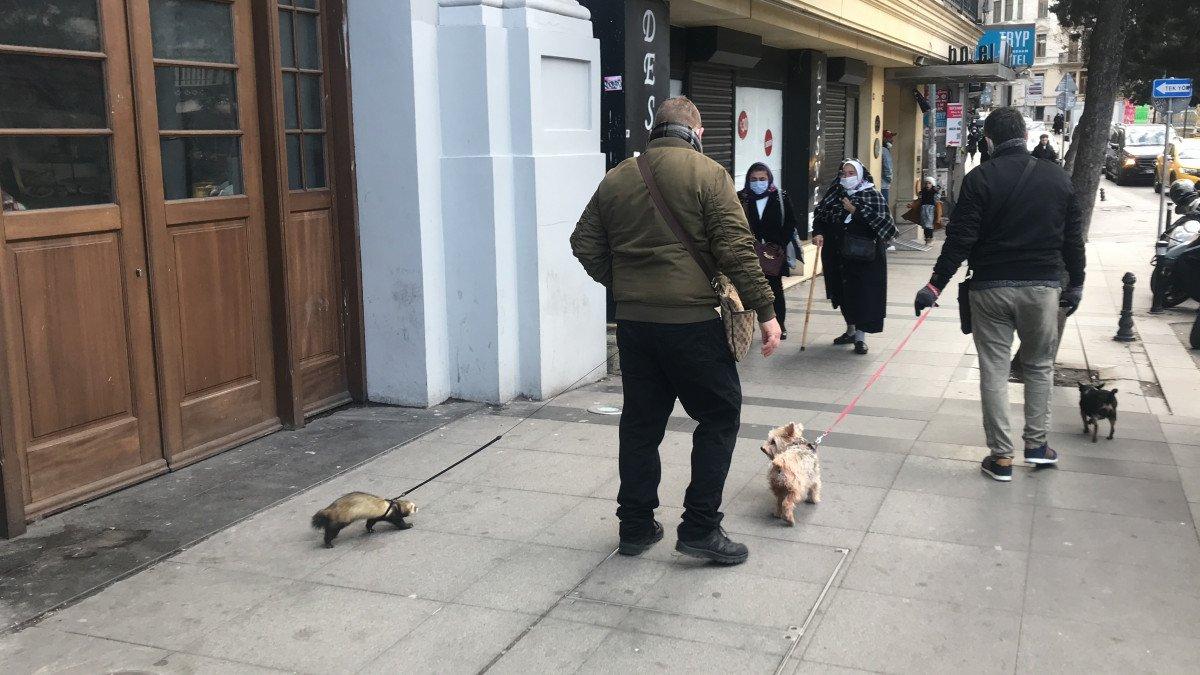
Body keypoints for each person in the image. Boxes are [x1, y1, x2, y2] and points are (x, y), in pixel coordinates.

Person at [571, 96, 781, 566]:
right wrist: (766, 311)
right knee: (720, 416)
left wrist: (624, 284)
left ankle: (636, 526)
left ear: (655, 129)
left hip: (635, 325)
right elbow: (736, 250)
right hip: (691, 324)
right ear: (697, 132)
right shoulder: (709, 175)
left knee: (641, 424)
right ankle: (701, 527)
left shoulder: (619, 176)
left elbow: (582, 242)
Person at [914, 106, 1086, 483]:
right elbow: (1073, 237)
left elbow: (960, 239)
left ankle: (1002, 457)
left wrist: (934, 285)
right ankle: (1038, 448)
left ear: (988, 140)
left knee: (993, 369)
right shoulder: (1058, 178)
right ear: (1024, 136)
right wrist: (1076, 283)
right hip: (1042, 287)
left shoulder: (980, 178)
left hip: (989, 287)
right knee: (1040, 366)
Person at [812, 160, 897, 355]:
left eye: (851, 173)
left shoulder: (872, 195)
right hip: (837, 256)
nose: (847, 177)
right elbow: (820, 217)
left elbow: (886, 227)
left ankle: (860, 338)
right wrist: (818, 232)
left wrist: (856, 212)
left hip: (864, 258)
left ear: (860, 175)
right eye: (844, 173)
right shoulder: (835, 194)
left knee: (862, 296)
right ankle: (850, 331)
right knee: (843, 293)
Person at [739, 162, 802, 340]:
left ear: (769, 179)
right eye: (754, 179)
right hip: (749, 252)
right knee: (747, 290)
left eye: (762, 179)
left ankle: (779, 324)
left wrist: (779, 244)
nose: (758, 182)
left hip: (773, 255)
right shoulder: (741, 198)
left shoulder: (780, 197)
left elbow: (791, 222)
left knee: (775, 290)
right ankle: (746, 327)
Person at [918, 175, 940, 244]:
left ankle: (930, 238)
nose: (927, 184)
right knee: (925, 224)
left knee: (929, 224)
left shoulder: (934, 191)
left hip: (931, 209)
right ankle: (926, 238)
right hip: (923, 208)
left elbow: (937, 200)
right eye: (926, 183)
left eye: (929, 183)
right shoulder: (923, 191)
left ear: (932, 184)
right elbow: (919, 199)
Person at [880, 130, 896, 207]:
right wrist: (889, 179)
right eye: (889, 138)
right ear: (884, 139)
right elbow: (887, 167)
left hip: (881, 183)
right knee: (884, 207)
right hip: (883, 184)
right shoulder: (885, 150)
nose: (892, 140)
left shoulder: (882, 149)